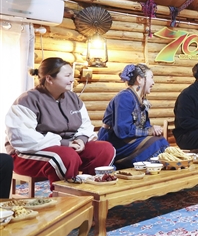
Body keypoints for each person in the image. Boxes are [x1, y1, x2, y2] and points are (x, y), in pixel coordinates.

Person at [4, 57, 115, 187]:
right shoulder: (28, 100)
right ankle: (65, 195)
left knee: (104, 149)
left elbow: (85, 125)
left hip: (68, 148)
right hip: (26, 154)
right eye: (67, 75)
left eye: (71, 75)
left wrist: (81, 140)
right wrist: (65, 144)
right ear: (49, 79)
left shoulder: (73, 98)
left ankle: (90, 189)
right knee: (66, 156)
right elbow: (23, 138)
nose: (72, 79)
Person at [98, 64, 169, 169]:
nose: (153, 82)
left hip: (129, 140)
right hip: (115, 142)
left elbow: (146, 126)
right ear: (139, 79)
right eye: (151, 78)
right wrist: (149, 131)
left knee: (159, 139)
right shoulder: (124, 97)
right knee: (157, 143)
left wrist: (153, 130)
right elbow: (122, 130)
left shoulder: (141, 100)